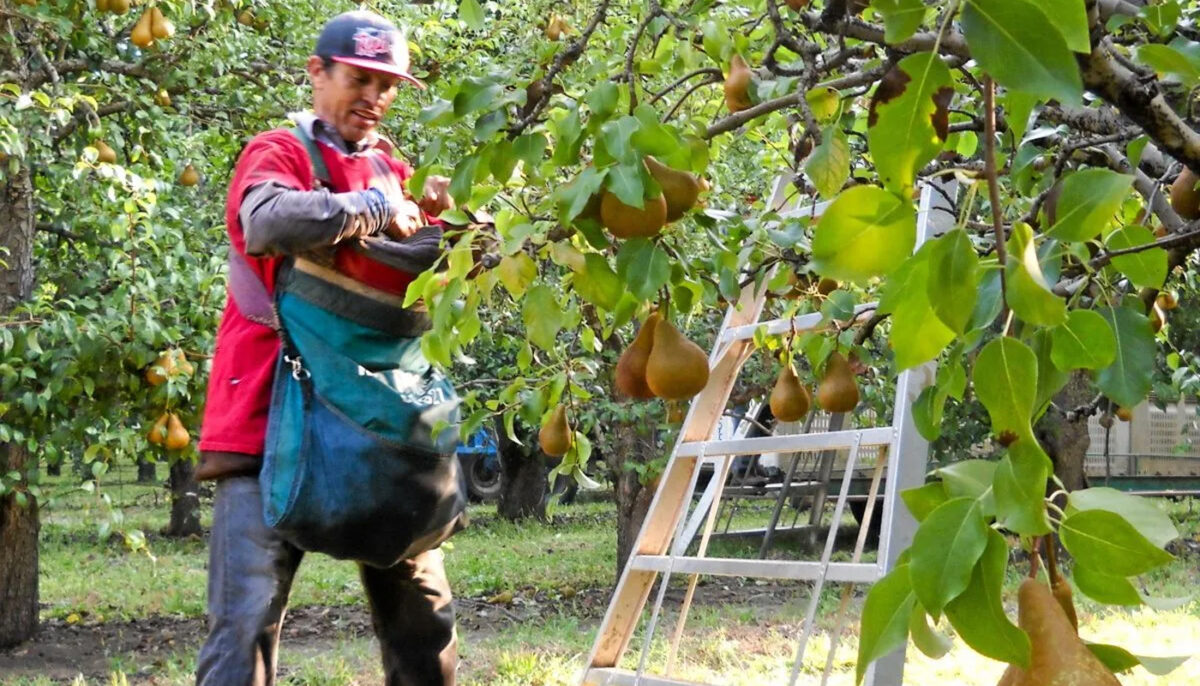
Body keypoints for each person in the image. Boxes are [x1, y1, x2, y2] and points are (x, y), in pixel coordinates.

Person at [193, 10, 458, 685]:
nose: (374, 96)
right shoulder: (278, 151)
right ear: (318, 73)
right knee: (246, 626)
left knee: (423, 623)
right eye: (359, 78)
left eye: (387, 85)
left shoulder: (393, 166)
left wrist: (447, 222)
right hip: (265, 424)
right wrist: (373, 207)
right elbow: (266, 218)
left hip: (377, 424)